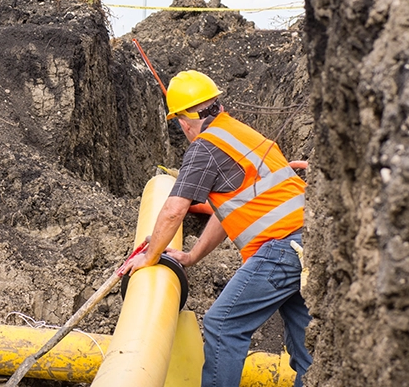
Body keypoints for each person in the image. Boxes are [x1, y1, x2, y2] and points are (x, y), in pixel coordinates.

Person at [123, 70, 312, 387]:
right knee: (306, 344)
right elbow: (227, 213)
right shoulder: (240, 133)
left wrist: (149, 255)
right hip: (307, 246)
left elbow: (173, 209)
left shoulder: (205, 147)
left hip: (281, 249)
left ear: (182, 122)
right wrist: (192, 256)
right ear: (216, 103)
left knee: (223, 325)